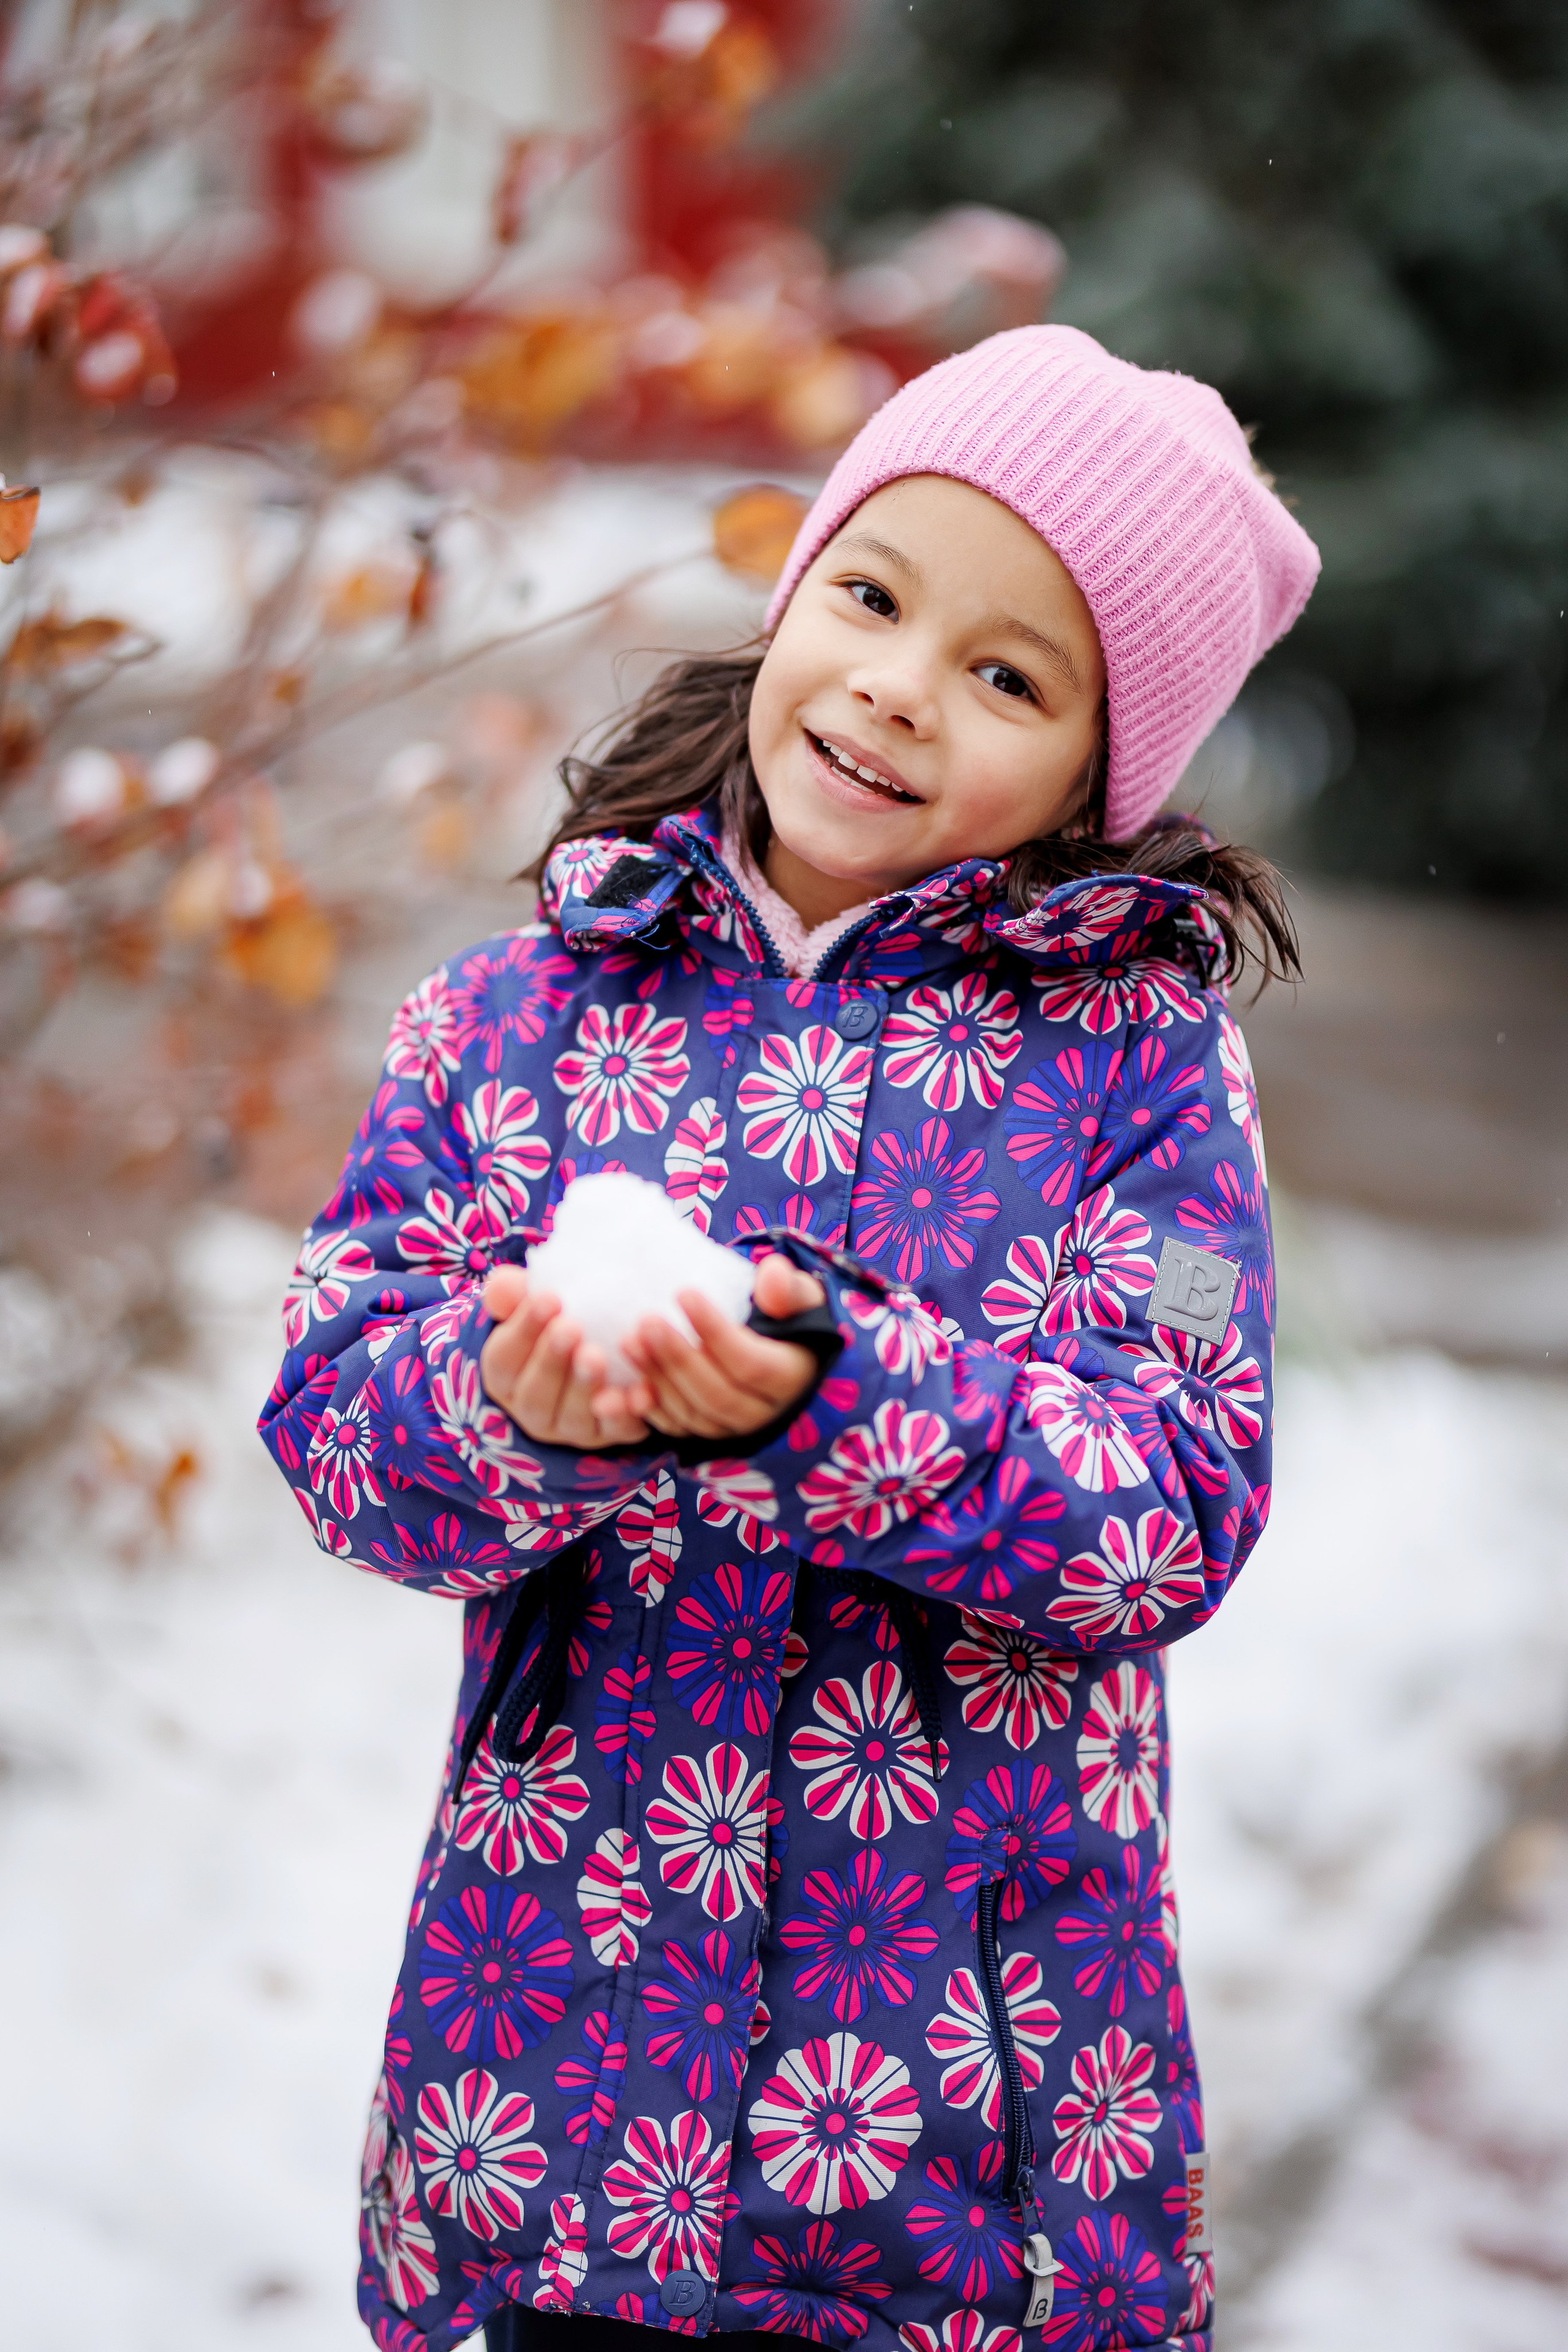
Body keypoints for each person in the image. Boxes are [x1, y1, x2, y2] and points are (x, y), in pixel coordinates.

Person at [260, 323, 1317, 2352]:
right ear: (795, 586)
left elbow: (1179, 1490)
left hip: (959, 2128)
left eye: (1011, 675)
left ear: (1105, 767)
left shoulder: (1146, 1072)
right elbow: (331, 1400)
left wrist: (848, 1402)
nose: (900, 689)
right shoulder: (523, 1017)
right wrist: (505, 1402)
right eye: (874, 594)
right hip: (560, 2084)